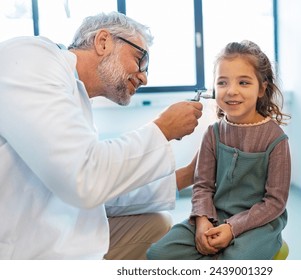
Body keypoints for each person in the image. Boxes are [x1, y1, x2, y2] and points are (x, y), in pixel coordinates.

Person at [0, 11, 202, 260]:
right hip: (21, 250)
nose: (144, 77)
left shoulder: (76, 100)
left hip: (53, 228)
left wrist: (189, 175)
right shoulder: (31, 58)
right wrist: (162, 129)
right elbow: (84, 178)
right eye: (141, 60)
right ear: (103, 42)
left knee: (157, 222)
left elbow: (104, 191)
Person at [147, 40, 291, 260]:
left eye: (244, 82)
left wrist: (232, 228)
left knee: (233, 260)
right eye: (222, 83)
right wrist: (203, 220)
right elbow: (203, 185)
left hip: (259, 224)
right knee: (158, 253)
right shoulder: (213, 133)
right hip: (215, 215)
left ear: (262, 88)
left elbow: (275, 202)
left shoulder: (276, 139)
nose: (231, 91)